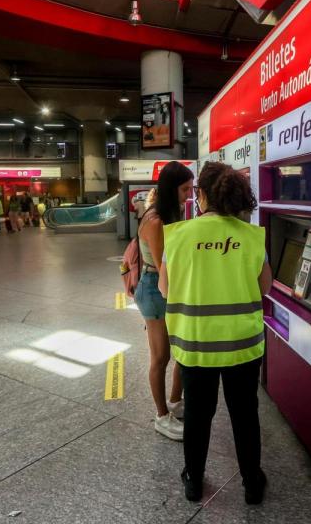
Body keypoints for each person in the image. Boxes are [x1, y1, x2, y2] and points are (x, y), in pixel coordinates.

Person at [159, 162, 272, 504]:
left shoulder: (178, 236)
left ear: (202, 195)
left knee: (197, 413)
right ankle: (252, 482)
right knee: (244, 413)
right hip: (242, 344)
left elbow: (165, 289)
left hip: (196, 344)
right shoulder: (252, 236)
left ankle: (193, 479)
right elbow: (264, 286)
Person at [136, 161, 194, 441]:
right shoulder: (157, 221)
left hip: (163, 288)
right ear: (172, 188)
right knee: (161, 357)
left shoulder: (170, 213)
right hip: (154, 290)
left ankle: (175, 401)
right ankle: (162, 416)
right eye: (185, 189)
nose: (189, 194)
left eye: (191, 188)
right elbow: (164, 270)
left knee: (179, 351)